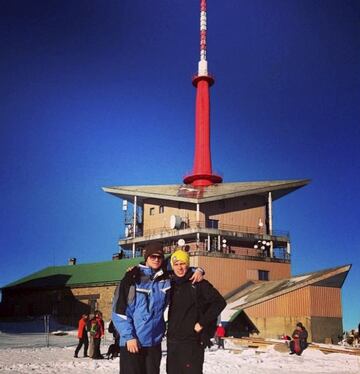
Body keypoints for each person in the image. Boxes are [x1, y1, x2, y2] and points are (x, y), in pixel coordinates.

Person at [112, 245, 171, 374]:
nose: (156, 259)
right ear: (146, 258)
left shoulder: (165, 280)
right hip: (133, 343)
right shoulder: (132, 278)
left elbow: (182, 269)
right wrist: (129, 337)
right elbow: (119, 312)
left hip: (154, 343)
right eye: (153, 256)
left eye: (159, 257)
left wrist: (198, 270)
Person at [166, 249, 226, 374]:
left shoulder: (198, 283)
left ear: (187, 264)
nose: (180, 268)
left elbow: (220, 302)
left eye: (182, 263)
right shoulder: (170, 284)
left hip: (192, 342)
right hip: (172, 342)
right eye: (176, 264)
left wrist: (202, 323)